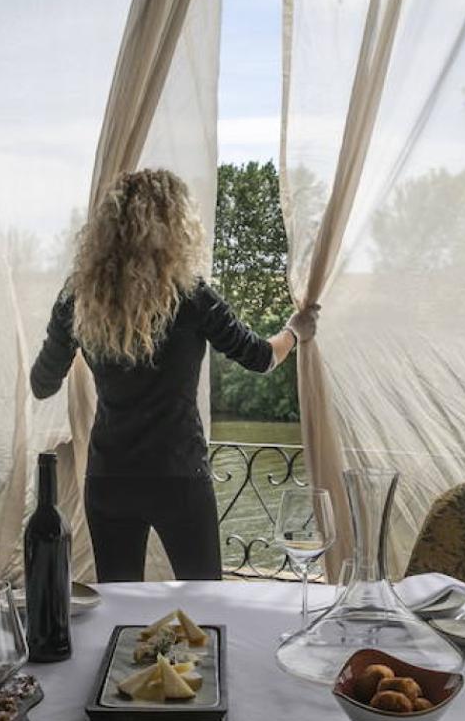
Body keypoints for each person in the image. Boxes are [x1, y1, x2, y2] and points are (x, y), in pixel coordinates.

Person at [31, 168, 317, 581]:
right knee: (204, 602)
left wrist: (91, 342)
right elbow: (260, 358)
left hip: (110, 477)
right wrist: (295, 330)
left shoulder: (76, 300)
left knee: (119, 606)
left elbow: (42, 385)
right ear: (175, 227)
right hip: (178, 475)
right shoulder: (191, 296)